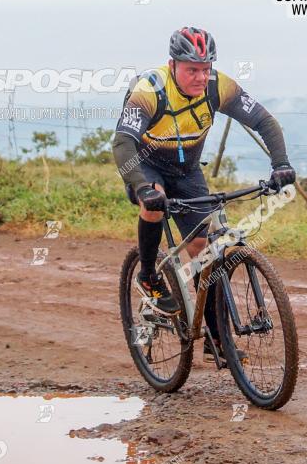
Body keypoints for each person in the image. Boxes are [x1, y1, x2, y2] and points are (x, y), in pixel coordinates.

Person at [113, 26, 295, 361]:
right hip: (146, 165)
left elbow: (264, 121)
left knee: (204, 252)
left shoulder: (218, 86)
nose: (200, 77)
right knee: (153, 202)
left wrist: (281, 163)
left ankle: (216, 339)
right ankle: (149, 275)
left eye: (205, 68)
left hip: (188, 170)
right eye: (191, 69)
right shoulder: (150, 90)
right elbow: (123, 143)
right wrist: (140, 186)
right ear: (173, 65)